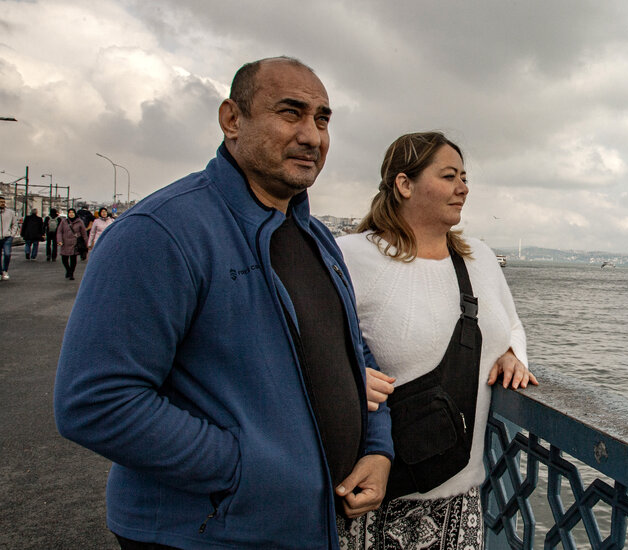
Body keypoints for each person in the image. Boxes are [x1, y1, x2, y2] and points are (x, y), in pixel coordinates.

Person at [54, 56, 393, 550]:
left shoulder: (317, 238)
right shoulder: (162, 231)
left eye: (322, 119)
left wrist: (377, 449)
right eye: (291, 113)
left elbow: (352, 354)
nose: (312, 136)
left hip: (304, 525)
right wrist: (245, 468)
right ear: (232, 119)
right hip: (204, 533)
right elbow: (97, 401)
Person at [337, 131, 536, 549]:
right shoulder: (350, 256)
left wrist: (511, 353)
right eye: (449, 176)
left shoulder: (479, 257)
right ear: (404, 184)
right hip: (370, 497)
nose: (463, 188)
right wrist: (344, 377)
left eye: (464, 177)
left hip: (460, 498)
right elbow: (302, 342)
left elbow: (512, 324)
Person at [56, 208, 86, 280]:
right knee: (64, 258)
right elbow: (59, 231)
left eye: (72, 212)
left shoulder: (79, 222)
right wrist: (59, 240)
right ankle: (68, 270)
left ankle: (71, 273)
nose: (71, 214)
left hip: (75, 243)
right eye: (70, 212)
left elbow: (84, 233)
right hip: (65, 242)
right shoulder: (64, 221)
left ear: (75, 214)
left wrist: (86, 243)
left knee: (73, 259)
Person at [0, 196, 16, 280]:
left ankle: (5, 270)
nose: (2, 203)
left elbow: (14, 224)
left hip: (7, 237)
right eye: (0, 202)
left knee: (7, 254)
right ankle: (0, 273)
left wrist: (12, 234)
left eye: (3, 202)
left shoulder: (10, 212)